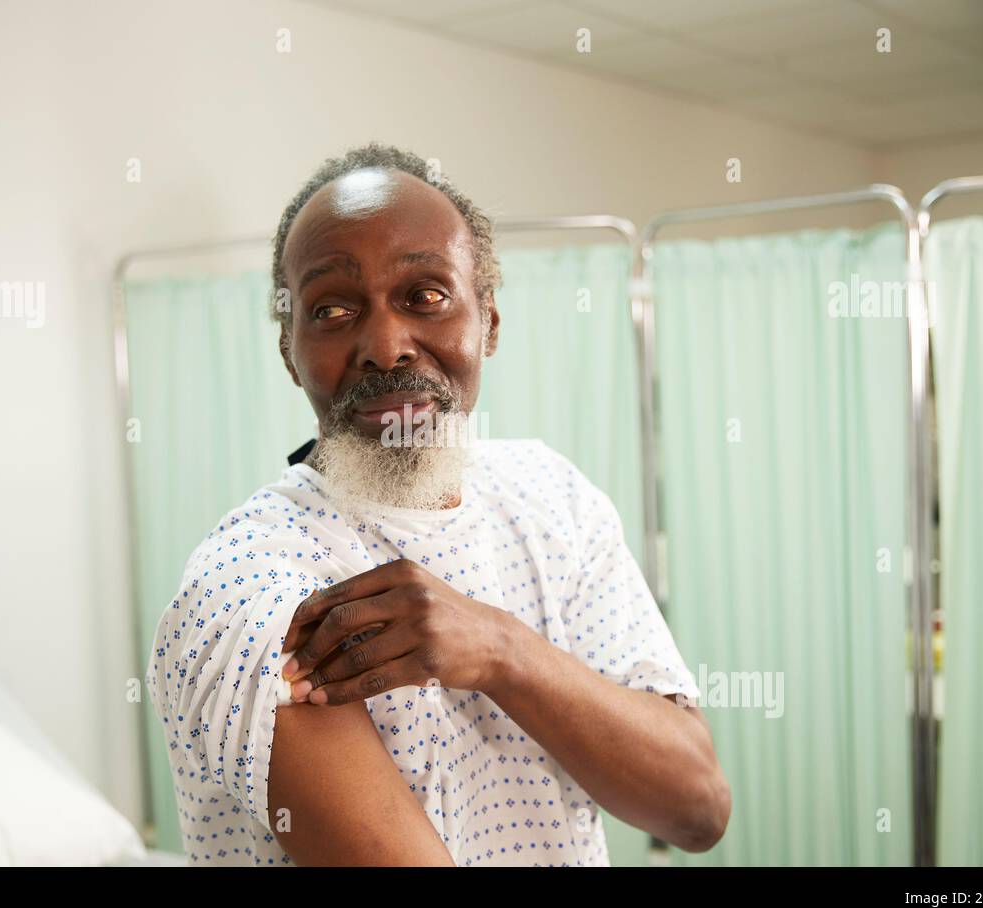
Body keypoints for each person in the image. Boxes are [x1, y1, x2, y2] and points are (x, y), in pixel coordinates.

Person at [147, 142, 730, 866]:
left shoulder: (554, 499)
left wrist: (501, 650)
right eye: (331, 309)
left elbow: (695, 806)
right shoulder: (250, 584)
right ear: (289, 351)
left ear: (488, 321)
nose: (385, 346)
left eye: (425, 295)